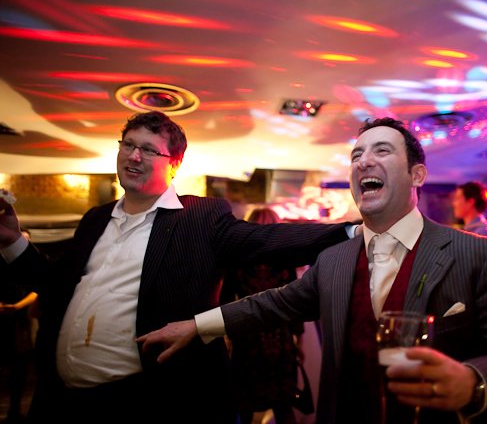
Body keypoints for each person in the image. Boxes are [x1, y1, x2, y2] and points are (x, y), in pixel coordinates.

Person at [138, 117, 487, 424]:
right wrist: (196, 326)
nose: (364, 161)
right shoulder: (334, 258)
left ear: (417, 174)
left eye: (382, 151)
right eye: (356, 156)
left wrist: (472, 384)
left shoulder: (477, 253)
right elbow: (272, 305)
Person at [0, 111, 356, 423]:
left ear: (174, 164)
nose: (134, 156)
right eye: (128, 145)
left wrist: (353, 233)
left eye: (149, 150)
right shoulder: (95, 219)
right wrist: (13, 241)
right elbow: (56, 285)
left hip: (150, 401)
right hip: (63, 401)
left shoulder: (199, 218)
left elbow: (268, 240)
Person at [220, 207, 303, 424]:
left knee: (245, 405)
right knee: (283, 404)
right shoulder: (285, 258)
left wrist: (227, 335)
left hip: (247, 335)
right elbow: (296, 301)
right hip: (280, 337)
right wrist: (299, 340)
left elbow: (225, 298)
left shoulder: (238, 259)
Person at [0, 228, 38, 423]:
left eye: (25, 240)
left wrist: (17, 306)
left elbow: (37, 290)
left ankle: (14, 411)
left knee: (19, 367)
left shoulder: (31, 265)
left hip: (20, 322)